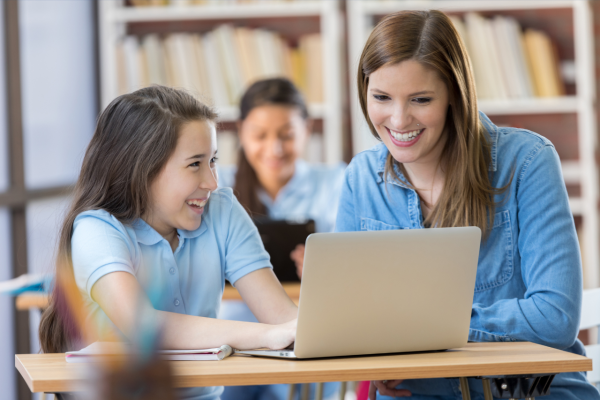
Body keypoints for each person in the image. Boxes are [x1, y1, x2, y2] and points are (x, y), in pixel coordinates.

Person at [335, 10, 600, 400]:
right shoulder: (361, 179)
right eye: (381, 97)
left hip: (525, 392)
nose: (398, 118)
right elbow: (346, 319)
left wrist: (422, 330)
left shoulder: (526, 161)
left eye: (420, 99)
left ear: (454, 97)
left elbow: (555, 318)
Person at [38, 85, 298, 400]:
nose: (212, 182)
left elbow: (285, 320)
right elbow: (142, 325)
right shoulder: (97, 230)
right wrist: (268, 336)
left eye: (212, 160)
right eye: (194, 164)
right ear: (143, 169)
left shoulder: (222, 210)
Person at [218, 78, 345, 400]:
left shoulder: (336, 183)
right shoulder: (217, 188)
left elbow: (356, 265)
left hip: (302, 339)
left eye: (286, 135)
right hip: (231, 344)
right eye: (260, 135)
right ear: (241, 132)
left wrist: (328, 268)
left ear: (307, 129)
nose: (274, 149)